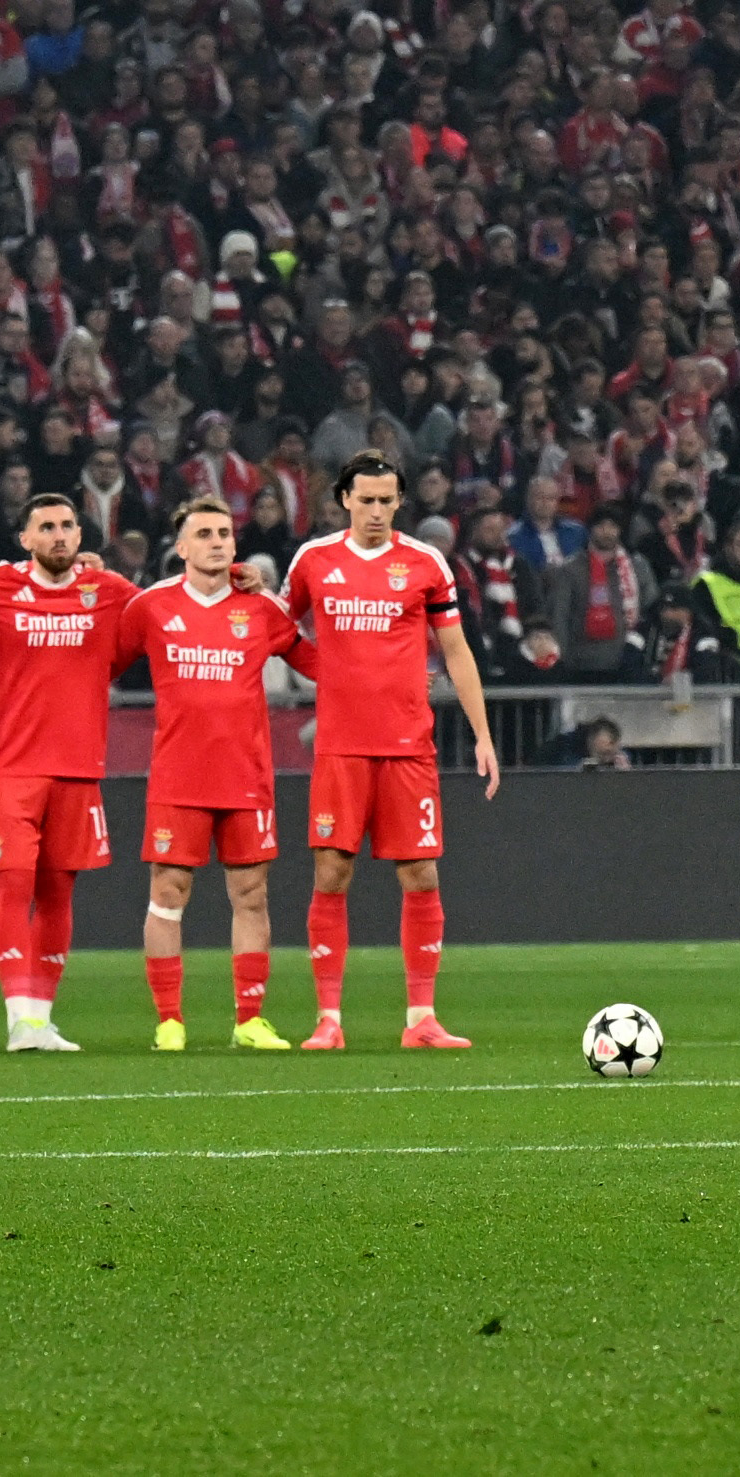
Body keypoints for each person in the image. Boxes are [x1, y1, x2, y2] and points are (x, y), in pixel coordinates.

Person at [275, 447, 503, 1054]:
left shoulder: (426, 563)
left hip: (407, 746)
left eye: (386, 500)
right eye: (366, 500)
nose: (376, 511)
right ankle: (328, 1019)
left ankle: (421, 1017)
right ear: (344, 500)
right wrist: (326, 670)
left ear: (400, 502)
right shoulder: (314, 560)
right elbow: (277, 628)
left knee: (420, 873)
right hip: (341, 747)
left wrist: (482, 735)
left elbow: (455, 650)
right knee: (332, 872)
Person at [121, 501, 302, 1052]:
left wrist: (381, 680)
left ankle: (249, 1019)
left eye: (224, 532)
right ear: (181, 547)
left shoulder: (260, 608)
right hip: (179, 775)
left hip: (246, 774)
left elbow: (312, 660)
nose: (218, 542)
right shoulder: (150, 606)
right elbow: (104, 661)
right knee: (167, 892)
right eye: (204, 534)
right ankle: (169, 1021)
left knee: (251, 894)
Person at [0, 492, 129, 1051]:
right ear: (25, 539)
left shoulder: (108, 591)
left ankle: (40, 1016)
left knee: (58, 894)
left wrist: (239, 579)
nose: (59, 535)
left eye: (67, 526)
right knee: (12, 887)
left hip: (78, 765)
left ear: (80, 536)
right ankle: (19, 1018)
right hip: (11, 766)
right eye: (47, 527)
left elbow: (165, 615)